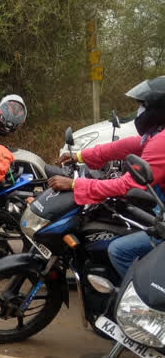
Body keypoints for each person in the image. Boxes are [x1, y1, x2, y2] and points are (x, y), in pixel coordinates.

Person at [50, 76, 165, 277]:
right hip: (160, 207)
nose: (140, 112)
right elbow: (122, 147)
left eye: (143, 106)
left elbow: (127, 184)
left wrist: (76, 184)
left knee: (119, 250)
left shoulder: (162, 142)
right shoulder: (157, 134)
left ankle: (135, 303)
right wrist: (79, 155)